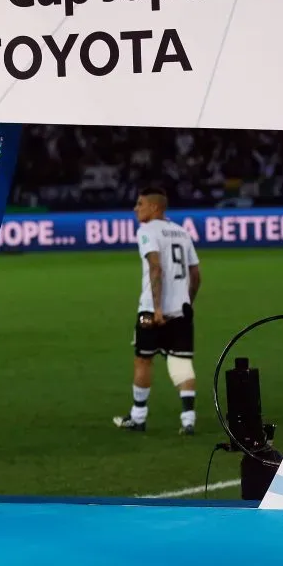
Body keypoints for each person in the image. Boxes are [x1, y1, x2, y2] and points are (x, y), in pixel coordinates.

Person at [113, 186, 201, 435]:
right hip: (182, 310)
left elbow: (155, 267)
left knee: (143, 359)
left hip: (152, 311)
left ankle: (138, 417)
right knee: (181, 362)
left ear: (154, 207)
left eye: (139, 204)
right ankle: (188, 420)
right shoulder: (182, 232)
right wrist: (188, 301)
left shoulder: (147, 231)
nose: (135, 208)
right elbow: (196, 275)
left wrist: (158, 308)